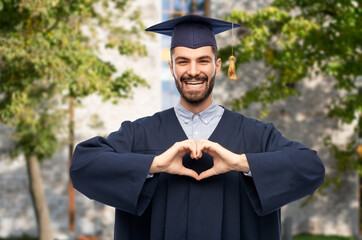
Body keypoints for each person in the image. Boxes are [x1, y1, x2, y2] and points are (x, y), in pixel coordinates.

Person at [70, 15, 325, 240]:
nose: (193, 71)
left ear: (218, 65)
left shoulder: (256, 135)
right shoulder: (139, 134)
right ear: (171, 67)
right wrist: (153, 165)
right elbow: (83, 165)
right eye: (183, 61)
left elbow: (311, 169)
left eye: (203, 60)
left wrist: (242, 163)